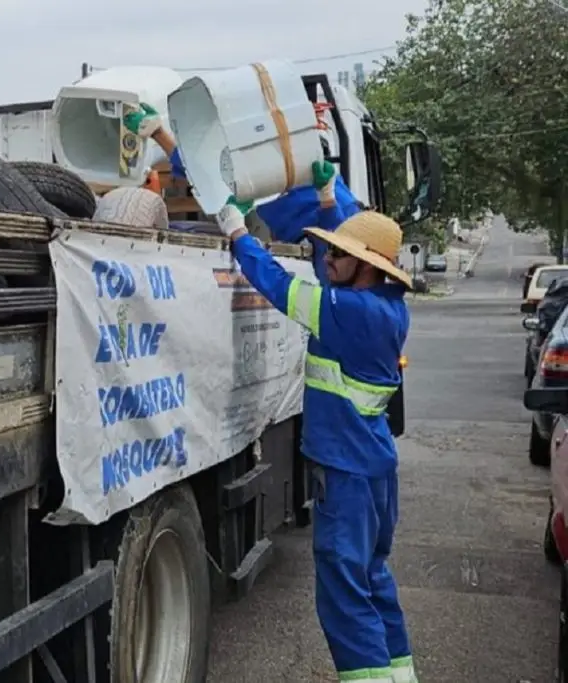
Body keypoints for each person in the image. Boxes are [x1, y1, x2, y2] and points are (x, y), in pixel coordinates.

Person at [124, 105, 418, 683]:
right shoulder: (382, 306)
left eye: (337, 253)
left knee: (344, 594)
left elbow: (279, 284)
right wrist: (329, 205)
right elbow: (333, 264)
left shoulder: (348, 313)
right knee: (372, 579)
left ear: (364, 267)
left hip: (347, 473)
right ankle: (400, 675)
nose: (325, 257)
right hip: (373, 468)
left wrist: (236, 233)